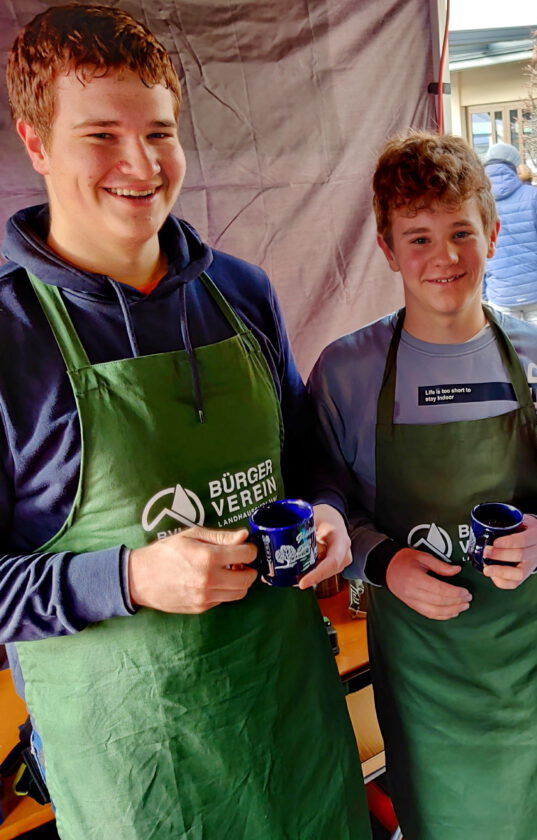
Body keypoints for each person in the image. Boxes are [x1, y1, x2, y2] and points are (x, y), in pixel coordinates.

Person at [0, 7, 369, 838]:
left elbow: (310, 460)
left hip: (293, 730)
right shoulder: (10, 338)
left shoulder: (241, 292)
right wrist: (128, 579)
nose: (140, 163)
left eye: (160, 132)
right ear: (36, 143)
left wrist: (334, 514)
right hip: (140, 773)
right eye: (100, 134)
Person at [308, 131, 537, 840]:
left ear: (494, 235)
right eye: (418, 239)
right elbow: (328, 497)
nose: (444, 258)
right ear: (386, 248)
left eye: (461, 233)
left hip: (536, 664)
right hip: (423, 676)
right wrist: (383, 561)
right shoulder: (347, 374)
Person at [482, 141, 537, 334]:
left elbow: (477, 250)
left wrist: (485, 293)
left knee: (511, 356)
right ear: (514, 165)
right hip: (535, 291)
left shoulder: (479, 200)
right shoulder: (531, 195)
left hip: (501, 293)